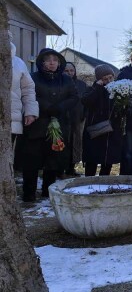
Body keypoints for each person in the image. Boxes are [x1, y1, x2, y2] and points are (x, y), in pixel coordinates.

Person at [17, 48, 79, 201]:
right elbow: (29, 94)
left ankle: (48, 192)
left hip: (58, 124)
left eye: (55, 60)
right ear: (42, 62)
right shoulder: (33, 77)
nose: (52, 63)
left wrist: (60, 107)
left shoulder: (66, 79)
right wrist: (45, 106)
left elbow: (74, 97)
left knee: (53, 161)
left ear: (59, 63)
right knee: (32, 161)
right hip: (36, 125)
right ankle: (29, 193)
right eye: (48, 60)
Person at [81, 65, 123, 176]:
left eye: (110, 78)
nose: (109, 81)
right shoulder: (92, 89)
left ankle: (103, 183)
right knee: (92, 160)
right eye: (105, 79)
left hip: (111, 131)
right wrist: (98, 88)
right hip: (95, 131)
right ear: (99, 79)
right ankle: (88, 184)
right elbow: (86, 101)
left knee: (107, 161)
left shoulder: (118, 91)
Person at [10, 31, 38, 151]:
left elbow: (28, 89)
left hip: (11, 118)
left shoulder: (18, 63)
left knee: (5, 158)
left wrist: (30, 112)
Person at [62, 61, 87, 176]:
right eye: (66, 71)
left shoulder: (81, 84)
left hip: (78, 118)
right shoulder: (59, 83)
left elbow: (86, 100)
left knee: (75, 143)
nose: (69, 73)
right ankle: (59, 169)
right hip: (63, 118)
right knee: (63, 142)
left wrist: (84, 113)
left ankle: (71, 168)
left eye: (71, 70)